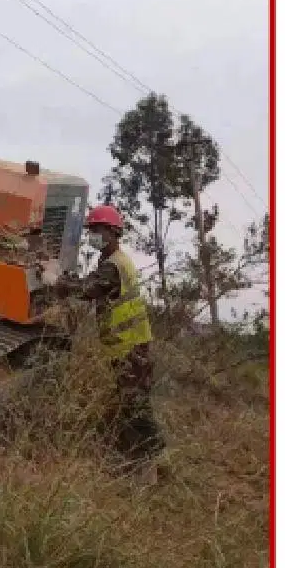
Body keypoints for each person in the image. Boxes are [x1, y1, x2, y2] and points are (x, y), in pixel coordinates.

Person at [53, 204, 166, 480]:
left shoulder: (114, 265)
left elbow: (87, 290)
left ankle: (149, 460)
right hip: (126, 348)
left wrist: (56, 281)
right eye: (92, 230)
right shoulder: (112, 262)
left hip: (131, 349)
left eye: (98, 230)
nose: (94, 235)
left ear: (113, 233)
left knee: (135, 405)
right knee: (129, 404)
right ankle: (138, 461)